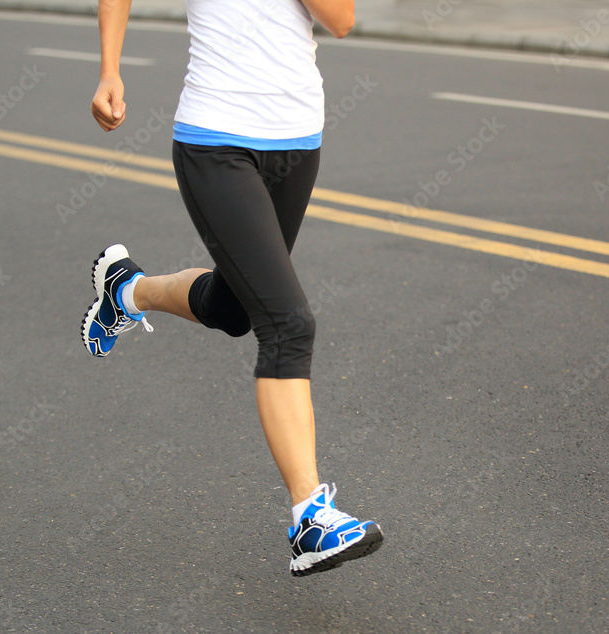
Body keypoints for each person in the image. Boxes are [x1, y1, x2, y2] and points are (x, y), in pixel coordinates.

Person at [81, 0, 383, 576]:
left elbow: (341, 19)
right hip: (215, 140)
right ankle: (309, 519)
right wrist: (110, 68)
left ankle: (128, 290)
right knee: (288, 324)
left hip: (297, 139)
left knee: (235, 307)